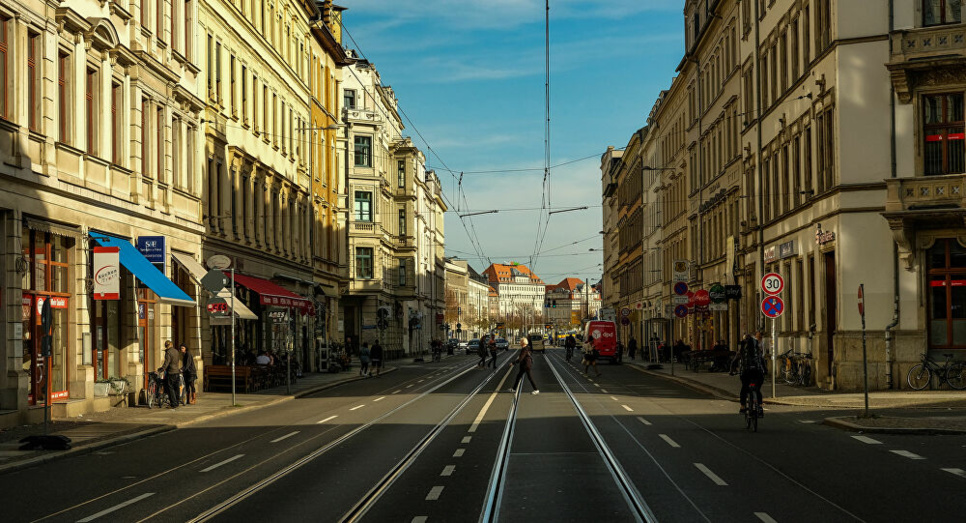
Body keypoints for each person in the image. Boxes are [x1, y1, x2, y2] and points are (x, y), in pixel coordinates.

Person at [731, 334, 766, 416]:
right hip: (758, 372)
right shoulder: (757, 350)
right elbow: (762, 361)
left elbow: (734, 362)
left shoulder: (742, 350)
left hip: (746, 372)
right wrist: (765, 371)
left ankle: (743, 407)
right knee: (757, 389)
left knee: (744, 388)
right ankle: (760, 407)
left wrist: (731, 371)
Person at [159, 340, 181, 409]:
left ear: (166, 346)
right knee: (176, 388)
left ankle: (173, 404)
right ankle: (177, 402)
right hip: (176, 371)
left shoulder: (168, 352)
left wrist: (162, 369)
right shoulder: (176, 351)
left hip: (171, 372)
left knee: (170, 388)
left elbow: (167, 362)